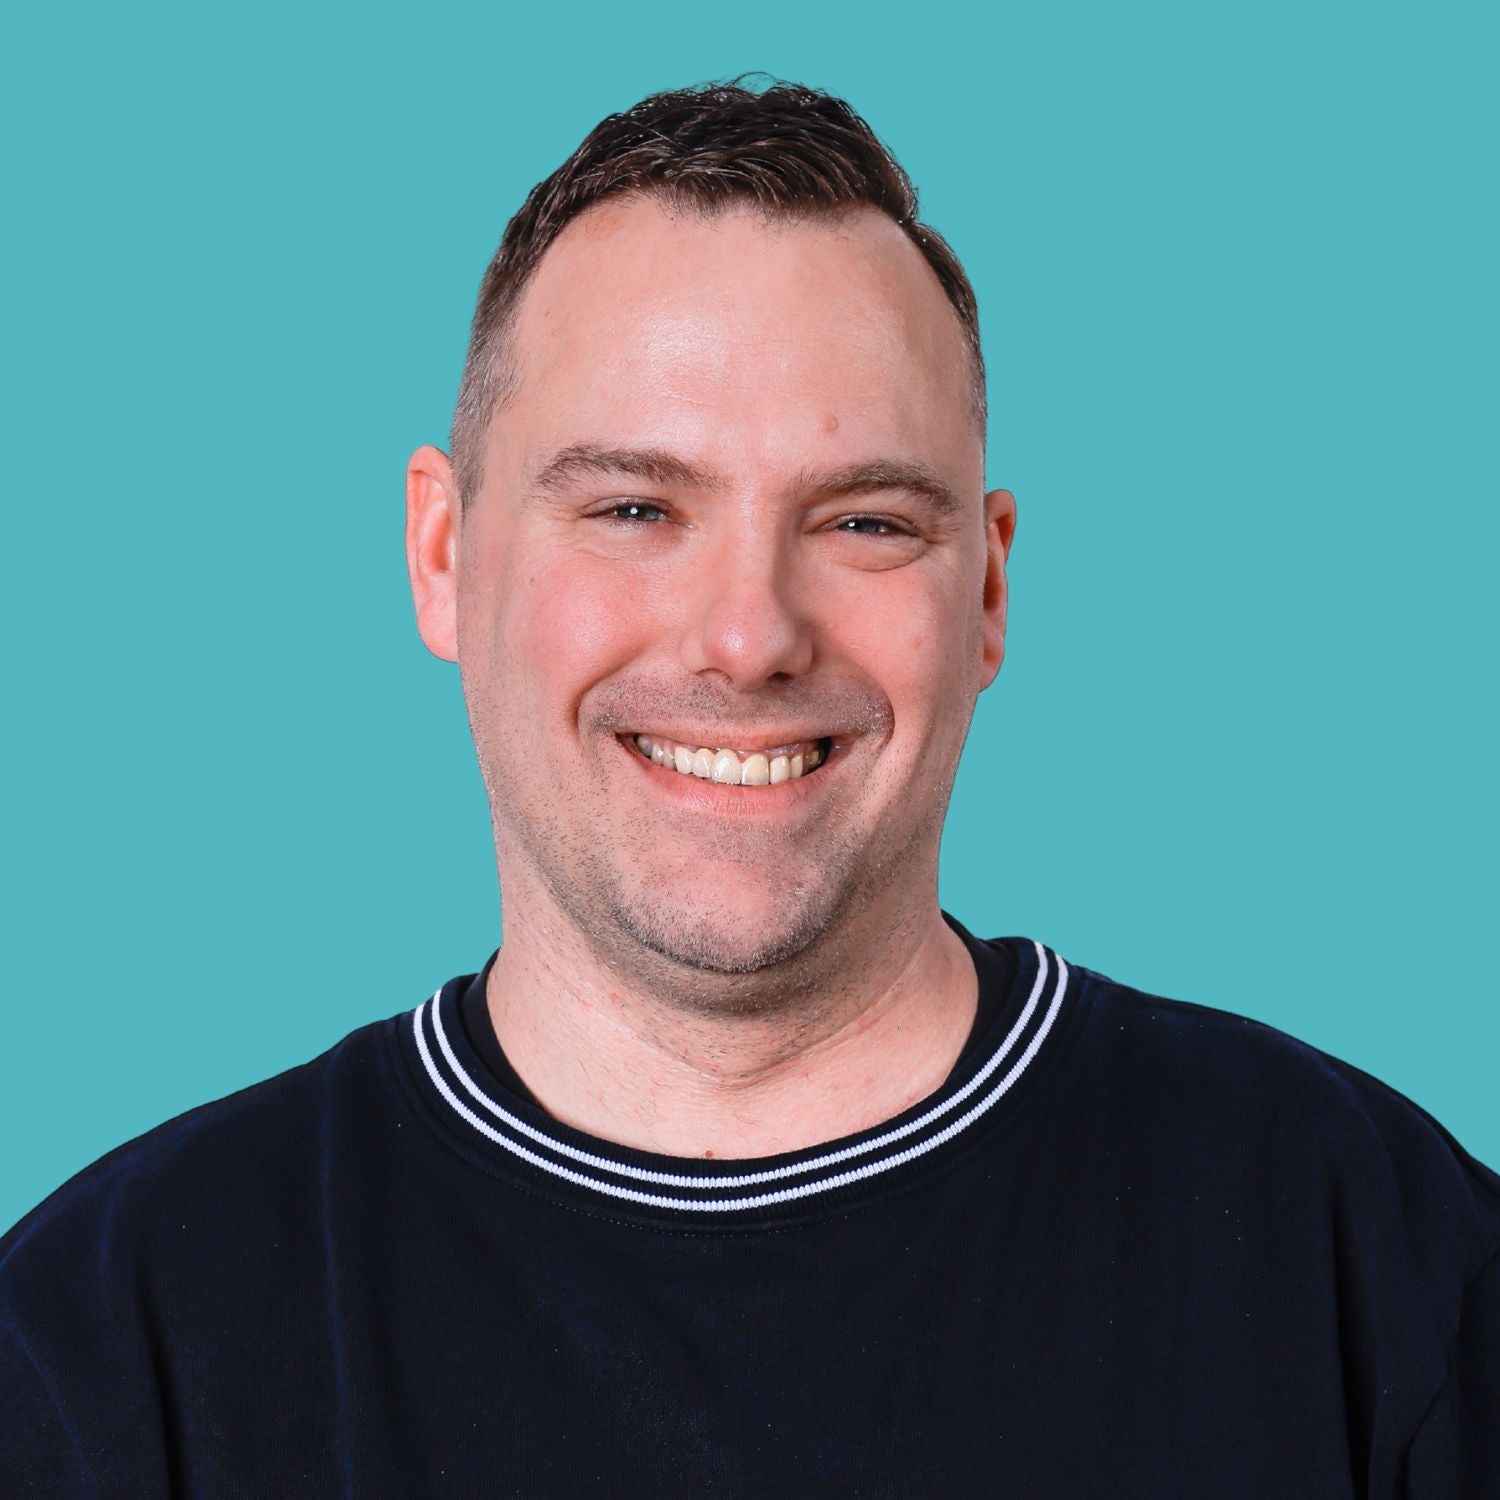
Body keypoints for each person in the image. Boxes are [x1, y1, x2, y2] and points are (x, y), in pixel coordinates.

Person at [2, 78, 1496, 1498]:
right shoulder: (108, 1340)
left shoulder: (1374, 1256)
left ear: (988, 590)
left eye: (864, 522)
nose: (748, 636)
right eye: (635, 507)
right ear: (443, 553)